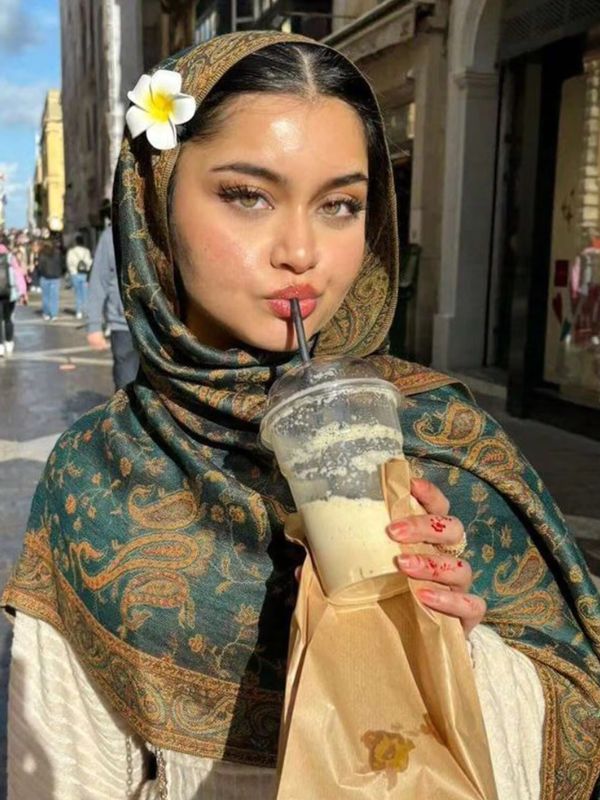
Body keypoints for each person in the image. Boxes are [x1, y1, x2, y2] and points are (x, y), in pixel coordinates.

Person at [2, 32, 599, 800]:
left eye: (340, 205)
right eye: (247, 196)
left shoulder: (441, 433)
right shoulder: (97, 469)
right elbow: (65, 766)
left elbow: (572, 712)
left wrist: (448, 644)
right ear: (157, 200)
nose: (301, 251)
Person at [87, 224, 139, 388]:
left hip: (161, 327)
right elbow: (98, 281)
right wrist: (94, 326)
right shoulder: (111, 235)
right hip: (124, 325)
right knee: (126, 387)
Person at [0, 237, 27, 357]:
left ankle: (0, 347)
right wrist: (23, 292)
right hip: (9, 292)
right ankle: (9, 343)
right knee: (8, 319)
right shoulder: (11, 257)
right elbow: (18, 275)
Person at [36, 236, 64, 320]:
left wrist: (40, 273)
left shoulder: (41, 253)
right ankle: (54, 314)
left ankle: (46, 313)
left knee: (46, 297)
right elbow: (61, 263)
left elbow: (40, 266)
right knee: (54, 297)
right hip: (55, 277)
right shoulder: (57, 253)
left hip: (45, 277)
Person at [66, 233, 93, 319]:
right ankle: (86, 311)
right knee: (85, 294)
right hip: (84, 274)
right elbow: (89, 262)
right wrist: (87, 269)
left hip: (75, 274)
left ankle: (79, 312)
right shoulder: (86, 251)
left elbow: (69, 262)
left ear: (76, 242)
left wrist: (72, 271)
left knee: (78, 294)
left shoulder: (71, 251)